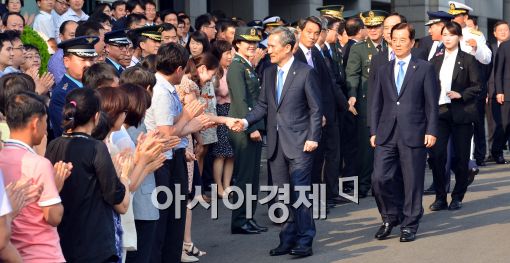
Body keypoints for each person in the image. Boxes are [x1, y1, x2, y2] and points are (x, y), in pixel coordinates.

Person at [230, 26, 321, 257]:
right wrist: (245, 121)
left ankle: (305, 240)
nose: (267, 50)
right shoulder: (269, 72)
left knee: (300, 193)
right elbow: (262, 105)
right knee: (281, 195)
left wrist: (313, 138)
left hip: (301, 143)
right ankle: (287, 238)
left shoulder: (305, 72)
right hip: (276, 145)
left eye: (272, 46)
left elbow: (315, 110)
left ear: (288, 48)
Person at [370, 23, 439, 242]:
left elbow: (431, 104)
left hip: (414, 131)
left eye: (402, 39)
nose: (398, 43)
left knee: (412, 181)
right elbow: (376, 103)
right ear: (389, 40)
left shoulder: (424, 68)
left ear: (411, 42)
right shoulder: (383, 69)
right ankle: (390, 216)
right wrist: (373, 130)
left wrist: (431, 130)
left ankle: (410, 223)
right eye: (394, 39)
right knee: (379, 178)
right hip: (386, 133)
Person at [45, 88, 130, 262]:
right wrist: (123, 175)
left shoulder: (54, 145)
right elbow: (114, 194)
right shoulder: (96, 147)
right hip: (95, 241)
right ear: (96, 117)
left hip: (63, 237)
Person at [144, 43, 209, 263]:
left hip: (175, 157)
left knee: (176, 218)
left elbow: (178, 130)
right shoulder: (160, 92)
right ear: (179, 69)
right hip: (163, 161)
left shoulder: (165, 88)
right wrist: (188, 120)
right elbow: (168, 134)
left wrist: (190, 122)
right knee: (166, 222)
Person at [0, 91, 70, 263]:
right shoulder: (39, 164)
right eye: (46, 122)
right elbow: (53, 217)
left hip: (12, 252)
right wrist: (56, 188)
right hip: (43, 254)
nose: (46, 128)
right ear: (35, 123)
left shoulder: (1, 158)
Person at [428, 21, 480, 211]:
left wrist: (462, 94)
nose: (448, 38)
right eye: (445, 34)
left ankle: (457, 196)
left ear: (458, 37)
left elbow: (477, 86)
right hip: (440, 112)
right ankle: (440, 196)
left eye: (451, 34)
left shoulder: (467, 59)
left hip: (461, 113)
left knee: (460, 157)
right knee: (437, 156)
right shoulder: (435, 59)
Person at [227, 27, 267, 235]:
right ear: (237, 44)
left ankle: (248, 217)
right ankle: (240, 220)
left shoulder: (246, 65)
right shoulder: (236, 67)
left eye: (254, 41)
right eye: (246, 41)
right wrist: (250, 127)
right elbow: (242, 101)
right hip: (243, 128)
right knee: (244, 176)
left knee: (252, 176)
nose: (252, 45)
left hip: (250, 125)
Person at [346, 10, 388, 198]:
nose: (372, 30)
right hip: (367, 101)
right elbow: (352, 74)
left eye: (376, 26)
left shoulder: (391, 46)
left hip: (389, 101)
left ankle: (385, 180)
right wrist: (352, 94)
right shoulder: (359, 49)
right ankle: (364, 183)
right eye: (369, 27)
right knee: (366, 144)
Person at [48, 36, 98, 137]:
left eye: (91, 59)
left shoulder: (94, 86)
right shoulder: (62, 94)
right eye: (83, 59)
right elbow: (65, 132)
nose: (88, 64)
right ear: (66, 61)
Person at [210, 40, 234, 198]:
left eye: (231, 52)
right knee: (221, 152)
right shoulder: (217, 73)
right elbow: (223, 92)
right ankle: (218, 187)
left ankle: (227, 185)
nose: (231, 56)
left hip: (233, 112)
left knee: (232, 153)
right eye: (227, 53)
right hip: (221, 112)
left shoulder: (233, 69)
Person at [487, 21, 510, 165]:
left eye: (506, 29)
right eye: (500, 30)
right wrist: (499, 91)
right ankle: (496, 151)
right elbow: (498, 72)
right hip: (503, 92)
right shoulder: (501, 47)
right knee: (502, 124)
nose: (503, 32)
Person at [47, 20, 78, 84]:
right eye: (72, 35)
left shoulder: (80, 52)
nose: (76, 38)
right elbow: (63, 85)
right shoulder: (57, 59)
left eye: (77, 35)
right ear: (61, 37)